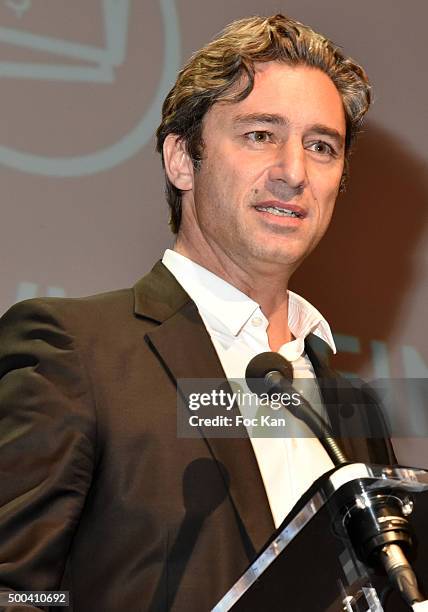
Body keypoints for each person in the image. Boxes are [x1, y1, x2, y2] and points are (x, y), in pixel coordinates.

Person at [0, 13, 395, 612]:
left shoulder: (353, 411)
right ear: (183, 159)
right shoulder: (74, 352)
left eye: (321, 146)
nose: (293, 173)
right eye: (261, 134)